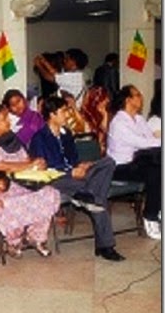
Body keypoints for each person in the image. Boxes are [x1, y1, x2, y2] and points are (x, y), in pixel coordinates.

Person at [30, 96, 125, 261]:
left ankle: (87, 197)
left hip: (76, 175)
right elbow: (43, 167)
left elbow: (74, 158)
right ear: (52, 115)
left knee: (108, 162)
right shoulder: (39, 137)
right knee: (98, 199)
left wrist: (82, 165)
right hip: (56, 178)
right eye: (63, 111)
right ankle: (105, 246)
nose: (67, 115)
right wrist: (69, 171)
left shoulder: (67, 135)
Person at [0, 105, 60, 257]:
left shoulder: (12, 139)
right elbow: (0, 166)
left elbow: (26, 159)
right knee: (8, 202)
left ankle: (36, 237)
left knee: (49, 193)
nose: (8, 122)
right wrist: (29, 164)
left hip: (21, 181)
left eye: (8, 118)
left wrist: (37, 163)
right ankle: (13, 241)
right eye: (3, 119)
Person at [107, 85, 162, 239]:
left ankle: (158, 209)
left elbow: (150, 139)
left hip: (137, 162)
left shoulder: (138, 119)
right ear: (128, 100)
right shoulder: (119, 122)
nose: (141, 97)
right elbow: (141, 142)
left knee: (157, 166)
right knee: (154, 172)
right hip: (119, 167)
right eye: (137, 95)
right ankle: (150, 216)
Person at [80, 85, 111, 156]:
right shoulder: (84, 118)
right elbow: (97, 142)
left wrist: (105, 116)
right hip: (91, 154)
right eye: (104, 98)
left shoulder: (106, 114)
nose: (107, 100)